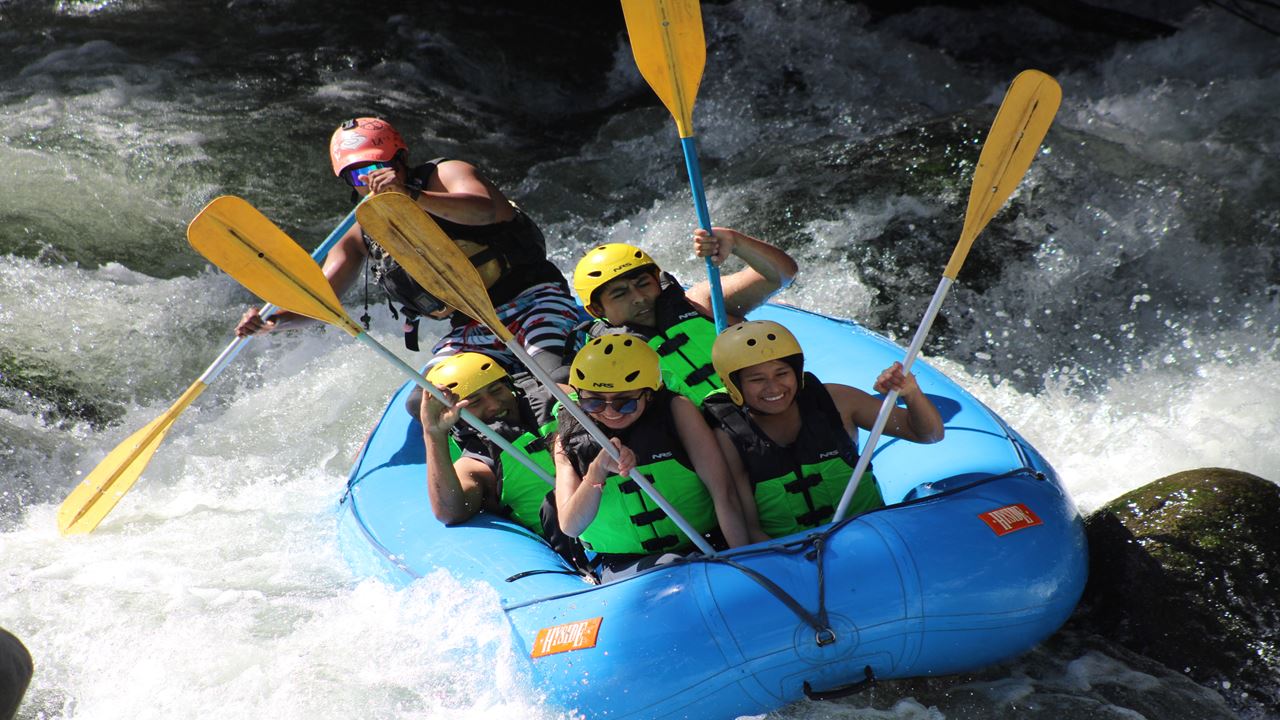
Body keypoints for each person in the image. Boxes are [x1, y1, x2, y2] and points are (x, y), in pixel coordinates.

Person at [236, 117, 578, 372]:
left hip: (534, 298)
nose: (371, 179)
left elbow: (489, 209)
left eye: (379, 166)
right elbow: (323, 299)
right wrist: (272, 322)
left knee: (549, 369)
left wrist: (412, 197)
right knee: (425, 404)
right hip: (472, 324)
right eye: (358, 176)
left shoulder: (445, 174)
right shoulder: (362, 233)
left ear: (401, 159)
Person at [703, 320, 945, 541]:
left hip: (874, 540)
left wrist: (911, 392)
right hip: (793, 556)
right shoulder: (728, 436)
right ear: (735, 385)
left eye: (782, 373)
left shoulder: (838, 401)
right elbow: (749, 527)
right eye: (757, 379)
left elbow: (929, 434)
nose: (774, 387)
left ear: (797, 372)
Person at [552, 334, 750, 582]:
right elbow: (571, 526)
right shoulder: (567, 437)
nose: (610, 412)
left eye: (624, 403)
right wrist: (597, 470)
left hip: (704, 543)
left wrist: (745, 563)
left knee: (682, 566)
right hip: (625, 564)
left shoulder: (678, 411)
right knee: (674, 568)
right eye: (593, 403)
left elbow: (724, 493)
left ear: (649, 393)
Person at [569, 228, 797, 404]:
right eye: (620, 294)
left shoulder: (702, 302)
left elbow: (782, 274)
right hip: (707, 444)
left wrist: (735, 241)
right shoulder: (603, 359)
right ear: (597, 310)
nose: (639, 298)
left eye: (644, 284)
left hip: (771, 406)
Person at [419, 352, 589, 573]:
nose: (493, 405)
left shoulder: (560, 399)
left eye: (496, 390)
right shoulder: (477, 464)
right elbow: (450, 512)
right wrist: (433, 434)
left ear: (511, 386)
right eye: (475, 401)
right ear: (455, 415)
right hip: (578, 550)